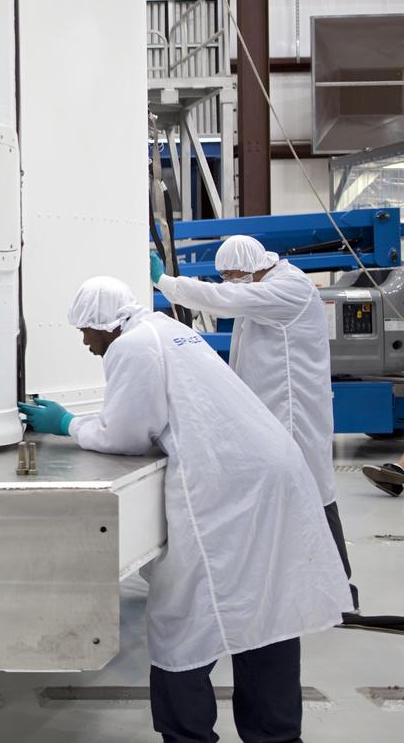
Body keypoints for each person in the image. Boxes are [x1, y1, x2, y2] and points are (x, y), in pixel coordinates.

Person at [20, 277, 350, 743]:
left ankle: (187, 736)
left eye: (85, 331)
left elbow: (127, 435)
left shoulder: (131, 347)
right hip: (268, 474)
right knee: (268, 612)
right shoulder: (164, 328)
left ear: (104, 324)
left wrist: (65, 422)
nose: (84, 341)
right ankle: (276, 736)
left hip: (230, 489)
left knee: (182, 620)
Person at [151, 235, 358, 610]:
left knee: (313, 492)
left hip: (294, 414)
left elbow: (226, 300)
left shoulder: (287, 288)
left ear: (252, 267)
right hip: (272, 412)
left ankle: (340, 591)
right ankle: (304, 583)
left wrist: (166, 283)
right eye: (226, 277)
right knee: (291, 493)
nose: (230, 283)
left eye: (234, 275)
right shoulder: (265, 285)